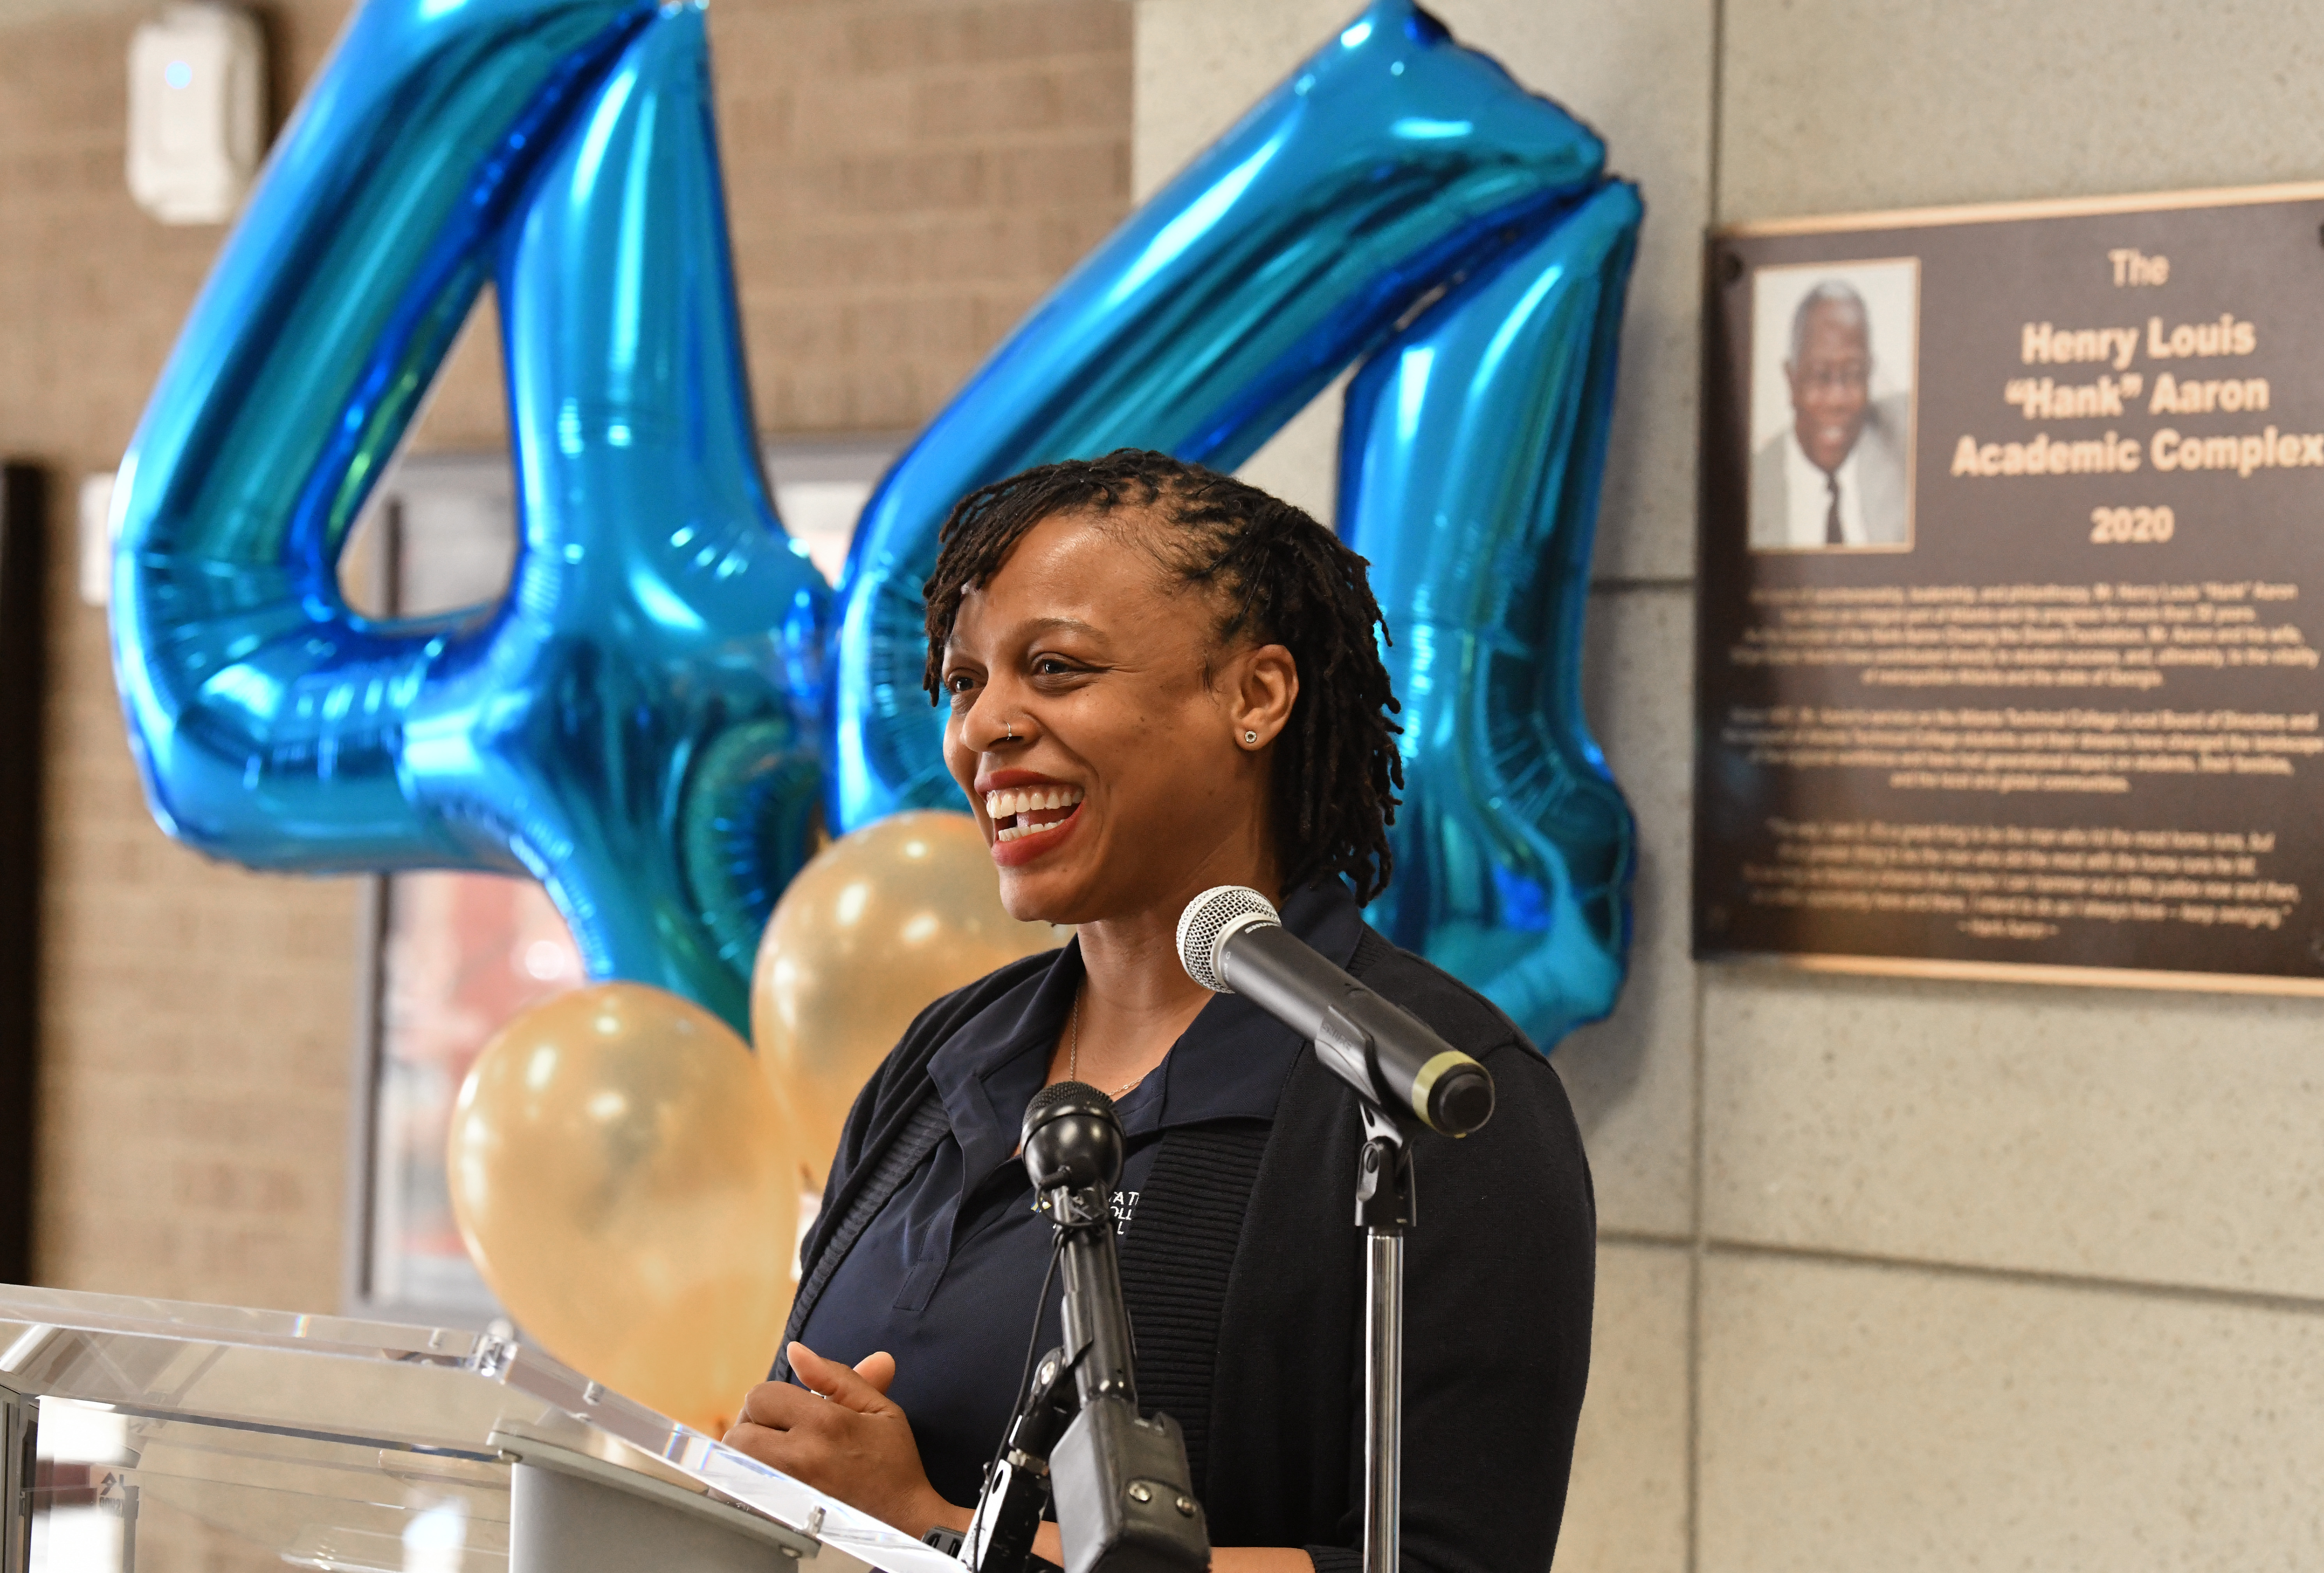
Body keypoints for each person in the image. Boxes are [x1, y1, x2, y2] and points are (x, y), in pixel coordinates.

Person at [722, 451, 1596, 1571]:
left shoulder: (1424, 1091)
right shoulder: (942, 1061)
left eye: (1054, 667)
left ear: (1256, 696)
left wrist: (936, 1529)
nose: (986, 727)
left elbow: (1445, 1568)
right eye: (962, 682)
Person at [1750, 278, 1911, 549]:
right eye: (1819, 376)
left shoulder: (1902, 450)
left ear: (1870, 372)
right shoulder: (1750, 486)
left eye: (1853, 374)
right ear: (1791, 380)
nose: (1837, 399)